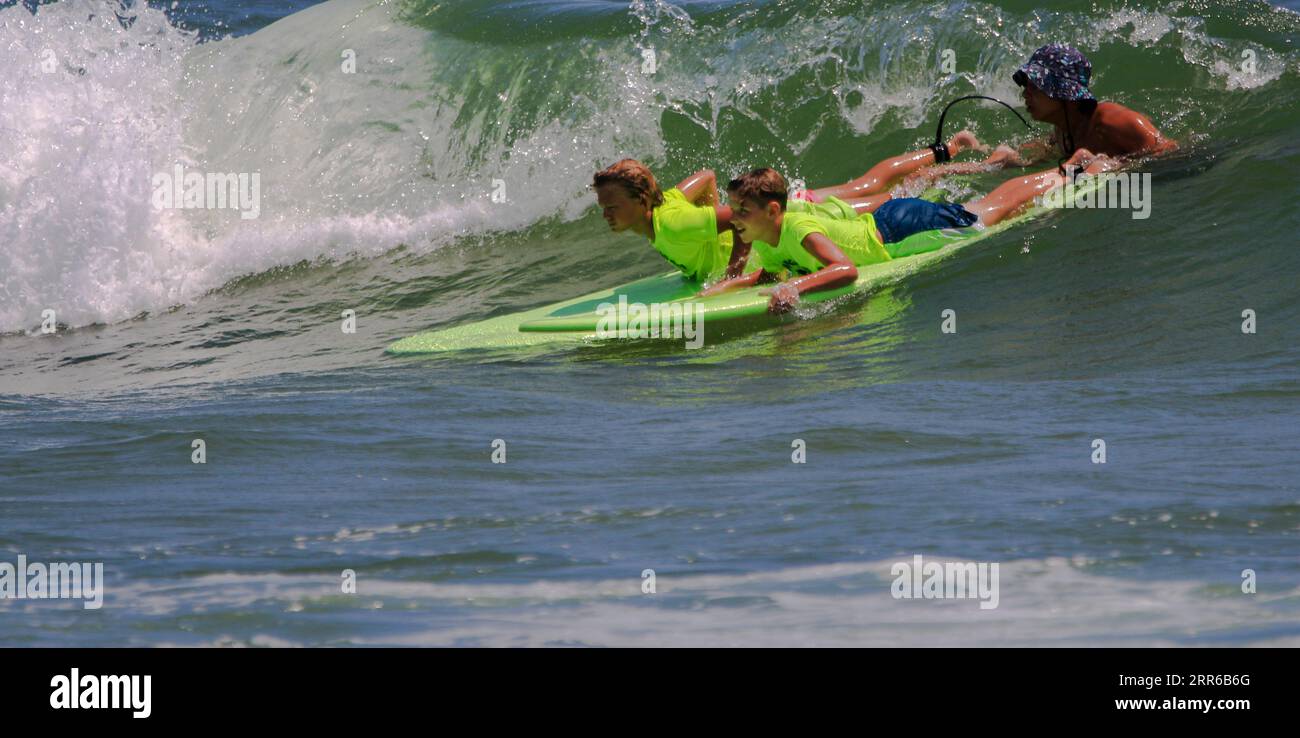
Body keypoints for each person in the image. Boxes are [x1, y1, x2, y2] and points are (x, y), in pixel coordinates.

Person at [700, 168, 979, 314]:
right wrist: (724, 288)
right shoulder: (764, 237)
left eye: (742, 211)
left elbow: (846, 269)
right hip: (881, 222)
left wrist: (795, 287)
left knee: (987, 215)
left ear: (772, 211)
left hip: (899, 230)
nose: (732, 218)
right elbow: (771, 274)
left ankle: (1013, 171)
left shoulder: (798, 229)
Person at [592, 159, 753, 282]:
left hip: (758, 261)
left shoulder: (673, 225)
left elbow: (742, 216)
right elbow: (707, 177)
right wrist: (712, 237)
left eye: (612, 208)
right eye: (604, 208)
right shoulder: (662, 205)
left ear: (642, 199)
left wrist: (732, 278)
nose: (605, 215)